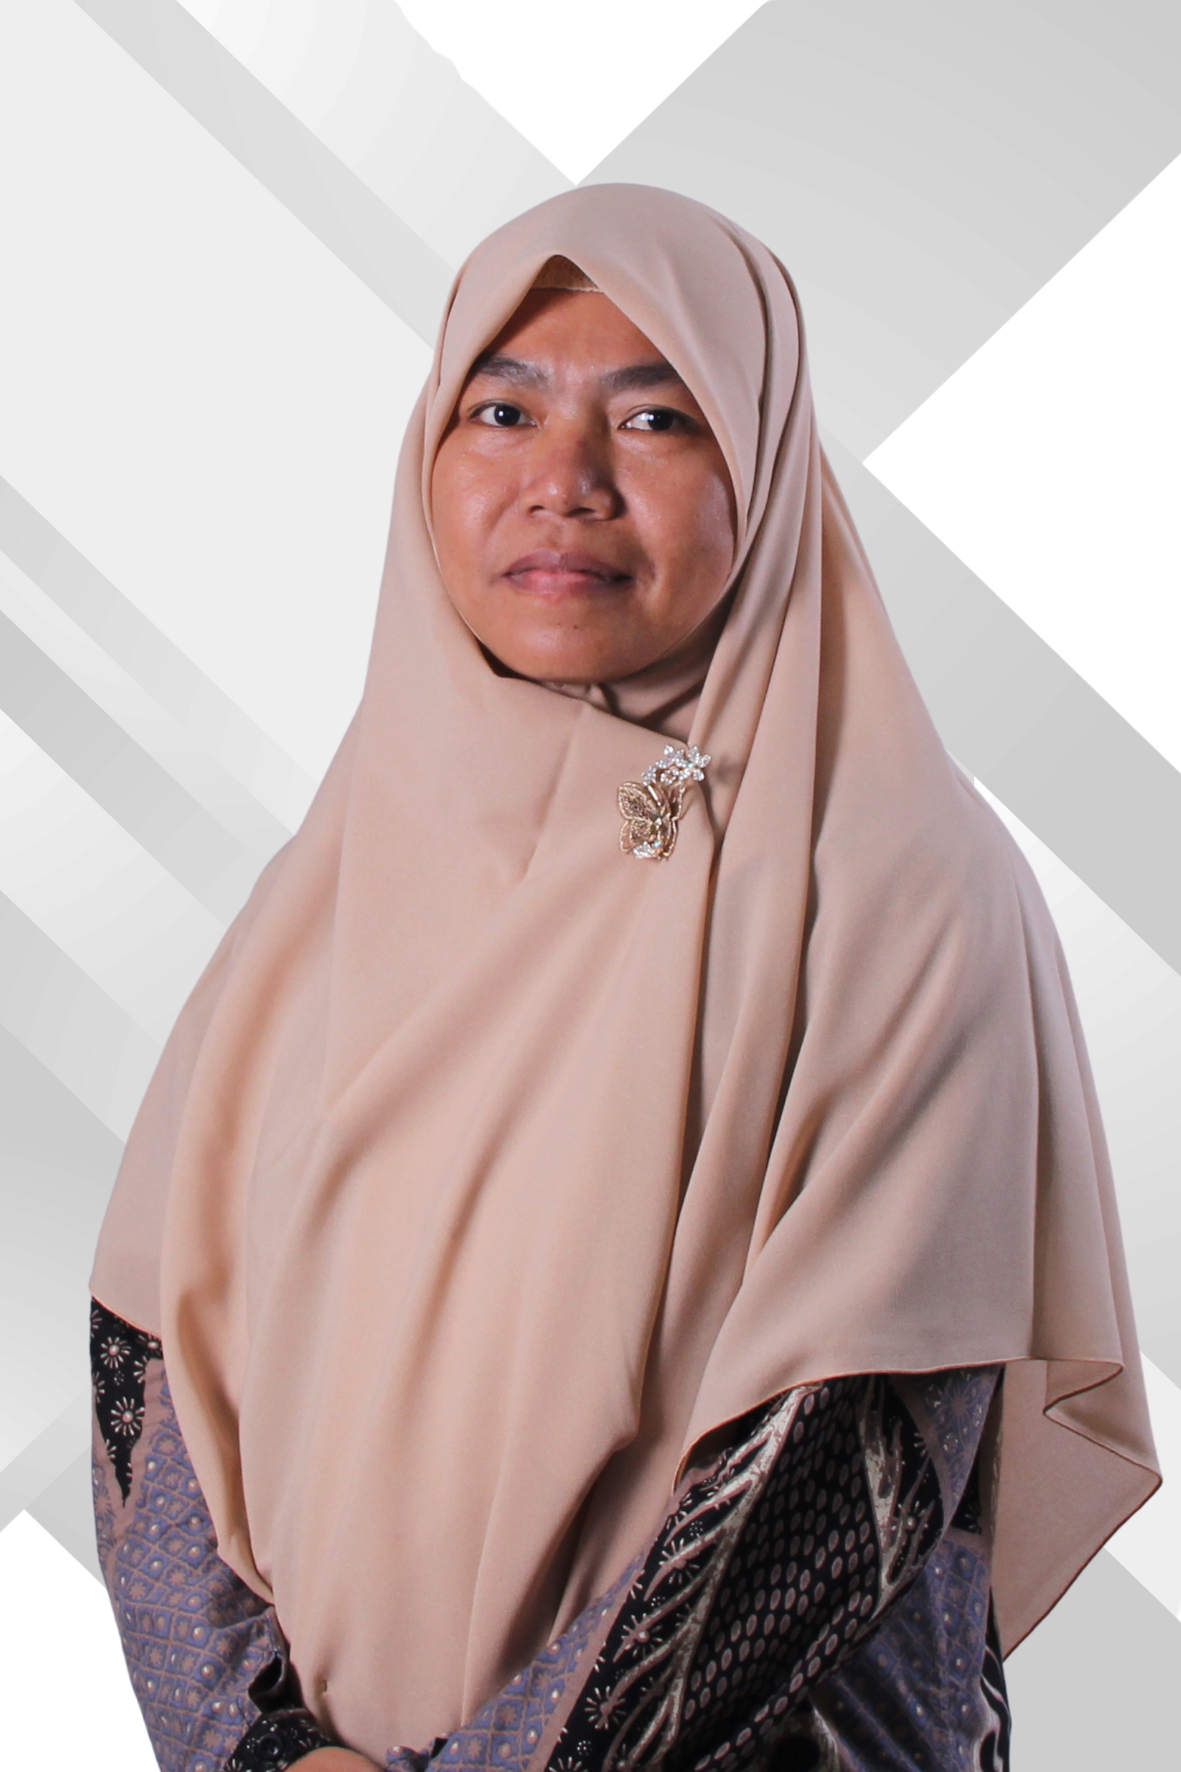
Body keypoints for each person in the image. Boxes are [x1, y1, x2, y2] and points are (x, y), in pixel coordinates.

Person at [89, 185, 1158, 1772]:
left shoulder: (895, 888)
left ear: (767, 468)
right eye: (503, 409)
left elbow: (843, 1460)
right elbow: (158, 1350)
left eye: (658, 418)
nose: (564, 482)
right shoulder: (331, 888)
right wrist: (261, 1750)